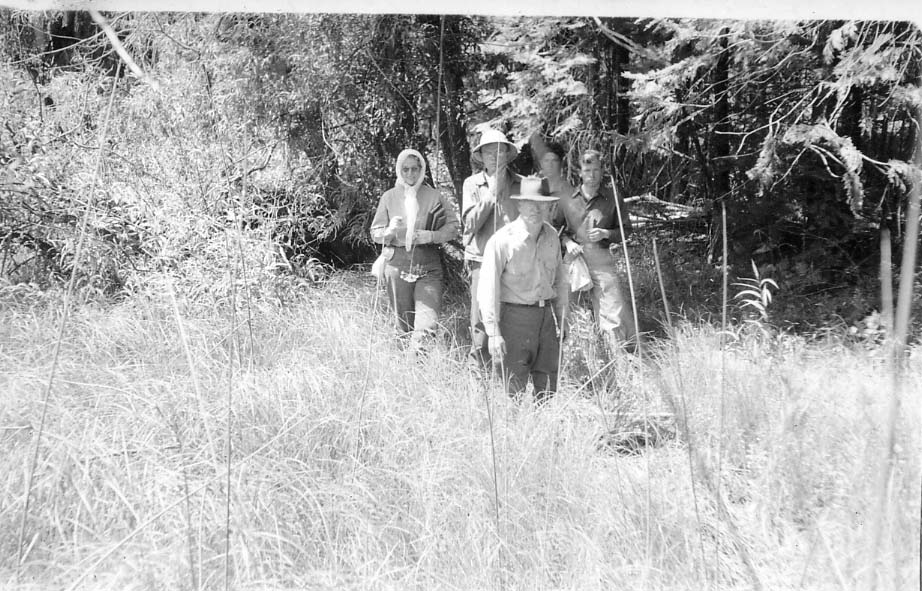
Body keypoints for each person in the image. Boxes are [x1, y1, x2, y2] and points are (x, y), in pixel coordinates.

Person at [478, 176, 568, 402]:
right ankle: (515, 433)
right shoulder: (502, 241)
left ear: (549, 206)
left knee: (547, 384)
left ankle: (543, 431)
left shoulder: (552, 237)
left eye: (540, 204)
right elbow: (488, 288)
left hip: (546, 319)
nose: (535, 209)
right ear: (519, 205)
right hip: (514, 319)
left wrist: (563, 319)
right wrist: (493, 332)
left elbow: (559, 281)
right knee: (513, 387)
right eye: (529, 203)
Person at [370, 148, 460, 349]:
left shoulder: (435, 196)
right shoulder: (389, 197)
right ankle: (406, 375)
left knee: (427, 326)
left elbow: (453, 227)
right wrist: (389, 230)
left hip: (428, 264)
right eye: (405, 170)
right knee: (403, 327)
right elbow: (375, 233)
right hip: (397, 264)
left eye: (414, 169)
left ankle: (417, 362)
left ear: (422, 170)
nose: (410, 174)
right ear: (399, 171)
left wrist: (432, 236)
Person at [555, 149, 636, 351]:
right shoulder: (568, 199)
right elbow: (553, 228)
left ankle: (617, 359)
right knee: (568, 311)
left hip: (602, 260)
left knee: (612, 311)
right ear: (579, 172)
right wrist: (568, 243)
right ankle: (573, 359)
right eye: (587, 170)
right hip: (574, 261)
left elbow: (626, 230)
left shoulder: (612, 198)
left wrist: (606, 234)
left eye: (596, 170)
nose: (592, 175)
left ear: (602, 171)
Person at [461, 128, 523, 367]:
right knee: (480, 320)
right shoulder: (472, 184)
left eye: (500, 151)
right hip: (481, 260)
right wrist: (491, 194)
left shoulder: (521, 184)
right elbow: (470, 224)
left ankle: (511, 374)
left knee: (513, 316)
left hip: (515, 262)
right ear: (481, 156)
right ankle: (479, 376)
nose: (494, 157)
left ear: (508, 154)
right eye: (489, 152)